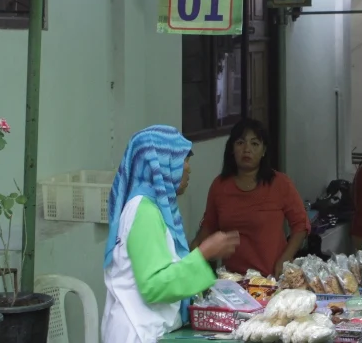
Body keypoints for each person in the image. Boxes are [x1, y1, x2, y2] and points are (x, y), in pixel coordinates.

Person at [102, 126, 240, 343]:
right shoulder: (144, 211)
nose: (188, 169)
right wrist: (202, 254)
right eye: (184, 160)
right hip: (137, 333)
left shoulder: (152, 208)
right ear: (161, 164)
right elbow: (154, 286)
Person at [195, 119, 309, 277]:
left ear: (263, 151)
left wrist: (285, 259)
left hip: (271, 278)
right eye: (240, 143)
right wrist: (187, 259)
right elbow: (208, 228)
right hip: (232, 280)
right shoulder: (220, 186)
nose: (247, 149)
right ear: (232, 149)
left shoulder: (280, 183)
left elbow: (301, 226)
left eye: (254, 144)